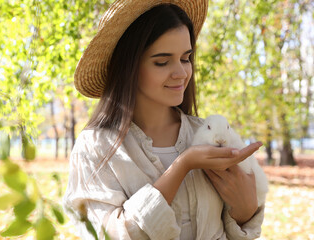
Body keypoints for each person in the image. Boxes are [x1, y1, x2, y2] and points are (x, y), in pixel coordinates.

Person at [63, 0, 265, 239]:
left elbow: (243, 227)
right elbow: (107, 235)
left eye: (185, 58)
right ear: (129, 66)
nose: (181, 73)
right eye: (162, 61)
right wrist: (183, 165)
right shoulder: (94, 148)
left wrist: (246, 210)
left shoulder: (207, 132)